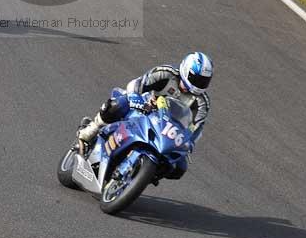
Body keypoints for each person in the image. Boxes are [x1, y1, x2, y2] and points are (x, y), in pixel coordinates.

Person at [77, 52, 213, 180]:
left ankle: (141, 176)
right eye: (196, 79)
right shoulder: (166, 73)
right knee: (117, 104)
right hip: (143, 108)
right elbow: (138, 84)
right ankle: (92, 129)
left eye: (203, 81)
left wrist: (188, 144)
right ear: (186, 69)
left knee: (179, 167)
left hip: (167, 130)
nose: (199, 84)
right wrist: (135, 98)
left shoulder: (202, 102)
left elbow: (195, 129)